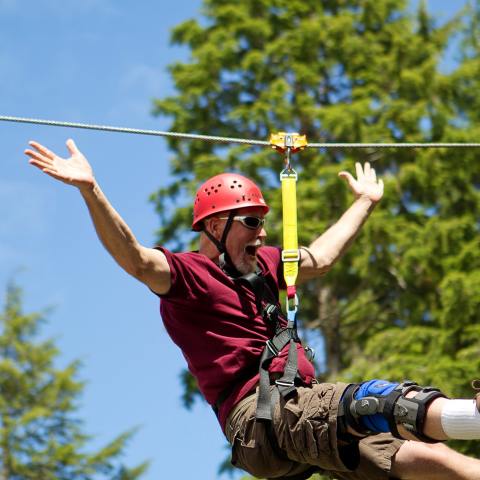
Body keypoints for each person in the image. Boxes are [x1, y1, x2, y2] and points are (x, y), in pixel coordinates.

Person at [25, 138, 480, 480]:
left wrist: (365, 202)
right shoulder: (188, 277)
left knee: (413, 456)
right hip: (260, 420)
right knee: (376, 402)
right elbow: (135, 258)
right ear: (216, 225)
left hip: (297, 421)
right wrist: (91, 190)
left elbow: (319, 258)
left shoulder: (264, 264)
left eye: (263, 223)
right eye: (251, 223)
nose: (262, 234)